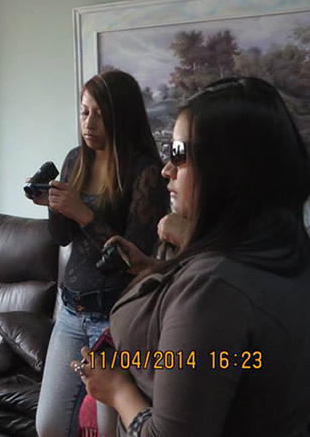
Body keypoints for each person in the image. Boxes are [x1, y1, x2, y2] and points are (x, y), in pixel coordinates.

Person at [75, 77, 310, 436]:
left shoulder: (214, 291)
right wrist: (155, 268)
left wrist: (117, 390)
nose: (167, 169)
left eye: (179, 153)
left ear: (226, 169)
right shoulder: (282, 252)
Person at [31, 70, 169, 437]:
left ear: (122, 117)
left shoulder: (145, 172)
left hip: (115, 317)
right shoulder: (75, 159)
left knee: (109, 431)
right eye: (84, 111)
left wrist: (84, 214)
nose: (89, 123)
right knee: (48, 425)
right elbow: (61, 238)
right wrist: (54, 205)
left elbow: (134, 259)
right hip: (70, 310)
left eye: (100, 114)